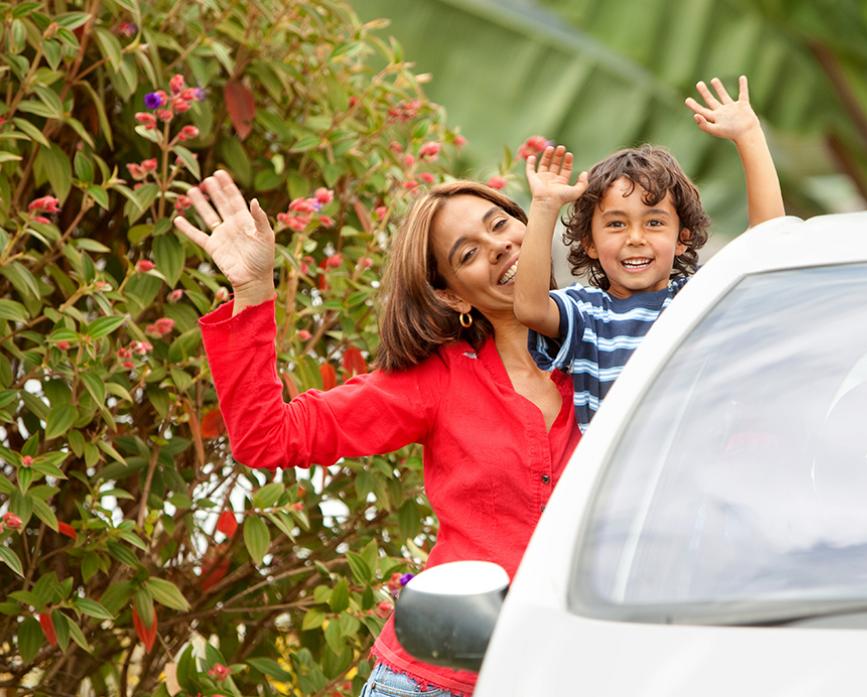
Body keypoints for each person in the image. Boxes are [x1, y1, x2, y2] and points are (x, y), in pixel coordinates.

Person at [174, 170, 579, 697]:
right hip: (434, 684)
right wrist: (253, 292)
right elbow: (267, 437)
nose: (499, 247)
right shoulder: (437, 382)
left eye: (501, 224)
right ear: (454, 297)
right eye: (467, 254)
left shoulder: (617, 353)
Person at [513, 76, 786, 430]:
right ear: (590, 244)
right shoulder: (587, 314)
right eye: (616, 224)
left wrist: (749, 135)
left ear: (682, 238)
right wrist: (546, 205)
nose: (636, 238)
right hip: (619, 484)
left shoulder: (698, 298)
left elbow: (767, 242)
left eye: (654, 223)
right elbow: (530, 307)